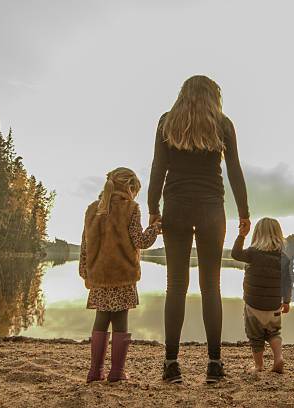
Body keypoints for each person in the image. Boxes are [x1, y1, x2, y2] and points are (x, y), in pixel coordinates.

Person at [148, 75, 250, 383]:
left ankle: (170, 364)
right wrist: (244, 212)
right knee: (211, 287)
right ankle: (214, 364)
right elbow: (234, 170)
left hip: (176, 208)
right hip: (211, 210)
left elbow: (158, 168)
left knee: (175, 287)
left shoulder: (167, 122)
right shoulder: (223, 124)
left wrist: (153, 209)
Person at [79, 167, 161, 383]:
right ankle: (117, 373)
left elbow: (85, 244)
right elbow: (140, 241)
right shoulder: (131, 208)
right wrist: (155, 228)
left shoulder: (92, 209)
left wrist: (85, 272)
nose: (135, 196)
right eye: (136, 191)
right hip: (122, 276)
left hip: (99, 276)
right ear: (130, 187)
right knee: (120, 321)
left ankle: (94, 372)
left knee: (101, 319)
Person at [231, 217, 292, 374]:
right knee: (274, 333)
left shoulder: (252, 253)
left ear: (257, 234)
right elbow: (287, 282)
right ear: (279, 235)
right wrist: (287, 301)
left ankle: (259, 366)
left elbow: (235, 254)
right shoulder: (283, 258)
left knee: (256, 337)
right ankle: (278, 358)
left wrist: (241, 236)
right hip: (274, 305)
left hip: (253, 304)